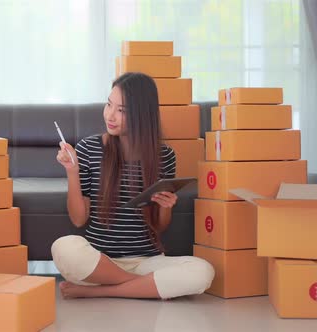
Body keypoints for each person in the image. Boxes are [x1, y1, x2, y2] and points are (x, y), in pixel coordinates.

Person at [52, 72, 214, 300]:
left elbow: (159, 226)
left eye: (122, 110)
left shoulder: (164, 156)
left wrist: (166, 206)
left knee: (203, 272)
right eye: (109, 105)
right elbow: (79, 219)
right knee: (64, 247)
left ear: (141, 115)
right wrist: (72, 171)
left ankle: (99, 292)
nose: (110, 115)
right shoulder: (88, 148)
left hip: (146, 262)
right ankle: (140, 287)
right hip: (99, 262)